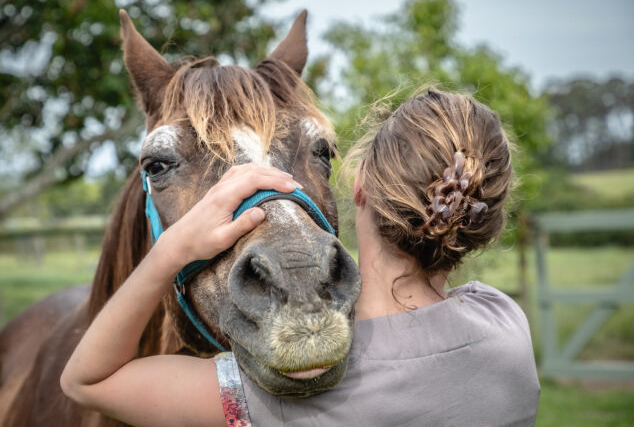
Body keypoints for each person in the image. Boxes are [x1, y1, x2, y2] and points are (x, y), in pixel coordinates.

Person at [61, 89, 540, 426]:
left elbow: (87, 381)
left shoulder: (283, 391)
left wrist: (174, 248)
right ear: (483, 221)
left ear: (359, 187)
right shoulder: (507, 328)